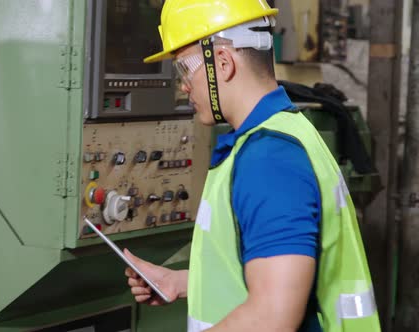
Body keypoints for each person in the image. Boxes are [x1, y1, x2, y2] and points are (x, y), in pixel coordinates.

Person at [123, 1, 381, 331]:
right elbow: (269, 269)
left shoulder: (269, 159)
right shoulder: (284, 131)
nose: (183, 85)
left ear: (224, 62)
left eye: (184, 70)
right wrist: (182, 281)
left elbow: (272, 317)